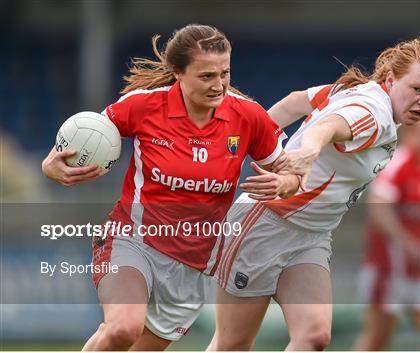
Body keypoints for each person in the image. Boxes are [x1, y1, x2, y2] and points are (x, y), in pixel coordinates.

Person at [41, 24, 299, 351]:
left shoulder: (249, 117)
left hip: (192, 265)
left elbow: (289, 173)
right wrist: (50, 166)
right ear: (177, 72)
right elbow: (85, 137)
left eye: (225, 74)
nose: (219, 85)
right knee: (123, 328)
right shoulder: (143, 105)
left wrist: (285, 182)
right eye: (206, 76)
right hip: (133, 241)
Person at [207, 38, 420, 350]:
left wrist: (253, 145)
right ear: (390, 79)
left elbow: (297, 102)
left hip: (312, 236)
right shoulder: (375, 113)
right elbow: (329, 128)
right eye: (416, 89)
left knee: (314, 337)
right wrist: (308, 150)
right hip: (266, 224)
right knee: (233, 344)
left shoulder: (357, 91)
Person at [353, 112, 420, 351]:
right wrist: (407, 243)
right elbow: (378, 209)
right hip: (389, 269)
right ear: (411, 133)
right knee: (376, 341)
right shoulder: (397, 164)